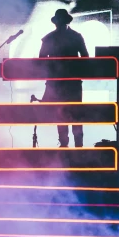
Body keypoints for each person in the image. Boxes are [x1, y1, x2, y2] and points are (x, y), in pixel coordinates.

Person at [39, 8, 89, 148]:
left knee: (65, 114)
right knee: (68, 114)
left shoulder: (49, 38)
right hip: (69, 83)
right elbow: (85, 57)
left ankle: (69, 145)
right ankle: (73, 145)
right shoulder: (76, 37)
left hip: (60, 83)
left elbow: (41, 60)